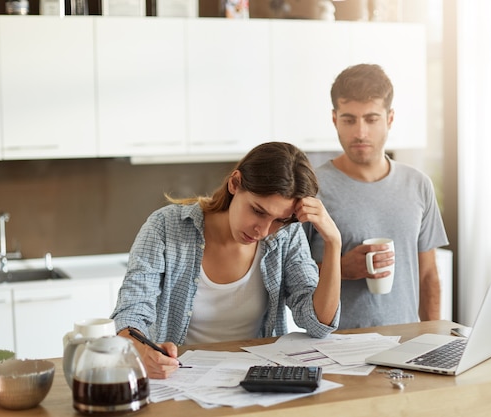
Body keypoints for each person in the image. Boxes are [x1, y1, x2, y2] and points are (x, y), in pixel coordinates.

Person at [111, 141, 342, 379]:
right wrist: (141, 350)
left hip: (255, 380)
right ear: (235, 183)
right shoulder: (166, 227)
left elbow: (317, 325)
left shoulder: (287, 236)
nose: (262, 231)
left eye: (279, 220)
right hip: (180, 378)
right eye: (258, 211)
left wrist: (333, 242)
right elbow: (132, 311)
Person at [304, 63, 449, 329]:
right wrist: (341, 269)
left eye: (371, 119)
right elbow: (291, 276)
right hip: (336, 348)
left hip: (406, 346)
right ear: (335, 119)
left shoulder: (418, 185)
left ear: (389, 119)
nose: (360, 132)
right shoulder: (312, 189)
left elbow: (428, 275)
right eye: (349, 120)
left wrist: (434, 339)